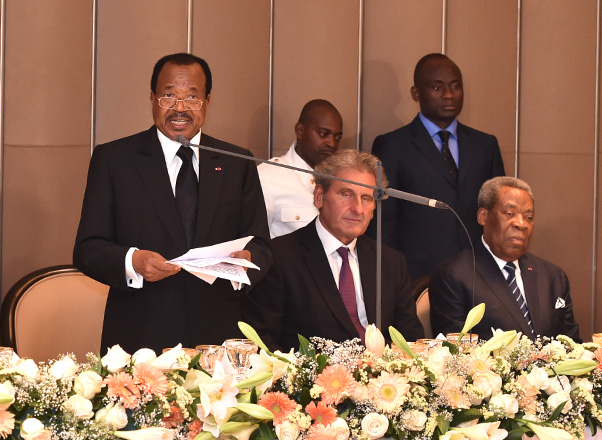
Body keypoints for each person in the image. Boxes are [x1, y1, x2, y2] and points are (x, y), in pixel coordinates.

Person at [73, 53, 272, 354]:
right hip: (141, 337)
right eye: (169, 95)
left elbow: (262, 246)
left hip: (217, 338)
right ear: (152, 98)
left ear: (207, 100)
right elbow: (87, 249)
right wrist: (133, 262)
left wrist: (243, 262)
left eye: (192, 97)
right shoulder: (115, 160)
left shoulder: (236, 162)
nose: (180, 108)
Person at [242, 149, 424, 351]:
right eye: (346, 195)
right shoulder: (279, 257)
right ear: (319, 196)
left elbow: (411, 340)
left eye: (366, 198)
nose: (357, 208)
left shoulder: (390, 261)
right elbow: (261, 342)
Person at [370, 53, 505, 281]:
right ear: (416, 93)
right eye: (437, 88)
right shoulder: (392, 145)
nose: (449, 95)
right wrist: (390, 277)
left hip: (477, 272)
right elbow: (384, 222)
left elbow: (498, 212)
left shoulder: (485, 145)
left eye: (455, 86)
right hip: (415, 275)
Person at [429, 176, 580, 341]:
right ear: (483, 216)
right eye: (510, 213)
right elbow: (456, 353)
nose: (521, 224)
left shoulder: (553, 277)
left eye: (528, 217)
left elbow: (572, 345)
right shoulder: (454, 276)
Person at [258, 99, 343, 238]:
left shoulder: (339, 181)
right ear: (300, 130)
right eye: (324, 134)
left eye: (337, 137)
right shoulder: (268, 178)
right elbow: (253, 243)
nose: (332, 143)